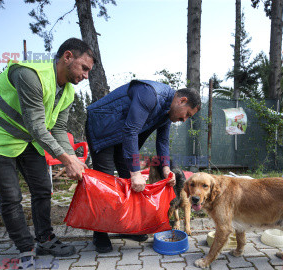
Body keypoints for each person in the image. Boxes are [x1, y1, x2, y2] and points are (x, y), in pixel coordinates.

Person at [0, 38, 95, 270]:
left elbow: (58, 128)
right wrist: (66, 160)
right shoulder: (30, 74)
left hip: (25, 138)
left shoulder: (66, 92)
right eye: (84, 68)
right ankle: (25, 249)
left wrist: (74, 158)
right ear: (67, 57)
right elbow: (37, 125)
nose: (86, 76)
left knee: (43, 188)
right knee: (11, 196)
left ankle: (45, 238)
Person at [85, 80, 201, 253]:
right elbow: (131, 130)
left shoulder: (167, 111)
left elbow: (162, 142)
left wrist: (167, 170)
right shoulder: (150, 95)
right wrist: (136, 173)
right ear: (182, 101)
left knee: (128, 181)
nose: (184, 120)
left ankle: (127, 227)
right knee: (106, 182)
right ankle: (100, 233)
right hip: (103, 128)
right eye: (187, 114)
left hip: (121, 135)